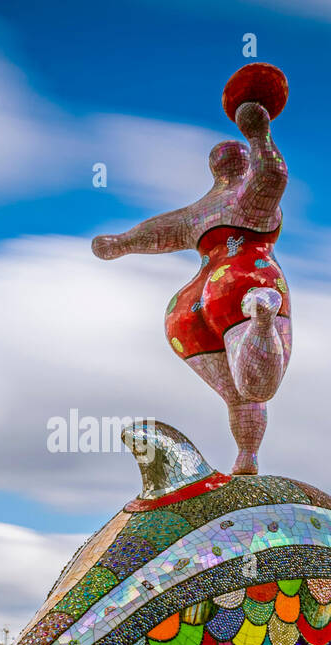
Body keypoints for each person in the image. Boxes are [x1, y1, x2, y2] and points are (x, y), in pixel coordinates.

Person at [92, 100, 291, 475]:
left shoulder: (199, 211)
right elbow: (273, 177)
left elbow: (157, 232)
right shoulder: (243, 199)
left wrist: (122, 243)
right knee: (256, 390)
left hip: (188, 308)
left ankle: (246, 455)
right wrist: (259, 134)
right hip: (244, 281)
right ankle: (262, 318)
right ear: (243, 163)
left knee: (239, 396)